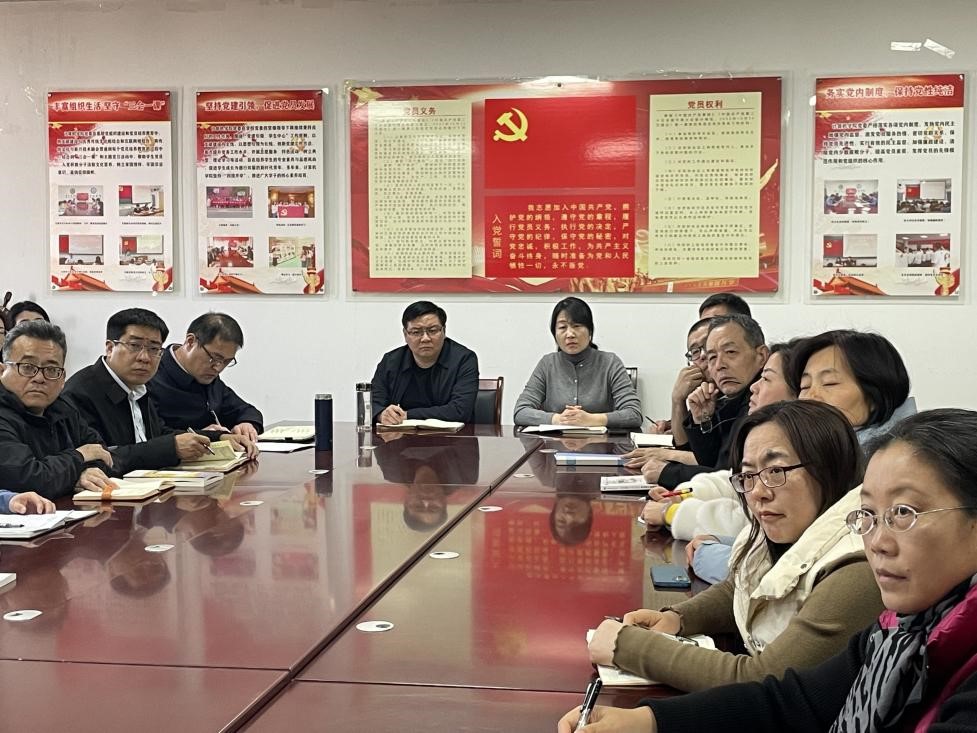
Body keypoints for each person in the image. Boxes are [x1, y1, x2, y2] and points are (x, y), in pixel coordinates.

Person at [559, 408, 977, 733]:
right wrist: (648, 721)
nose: (878, 542)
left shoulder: (862, 577)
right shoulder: (901, 630)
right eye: (868, 513)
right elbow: (793, 699)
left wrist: (633, 648)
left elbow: (771, 677)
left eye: (903, 512)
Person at [584, 400, 882, 696]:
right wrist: (677, 618)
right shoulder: (789, 529)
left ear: (830, 467)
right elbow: (744, 588)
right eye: (748, 475)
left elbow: (766, 681)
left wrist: (630, 647)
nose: (759, 492)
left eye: (776, 471)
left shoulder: (857, 566)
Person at [642, 341, 798, 584]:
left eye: (766, 378)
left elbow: (753, 521)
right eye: (709, 355)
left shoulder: (799, 446)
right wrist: (683, 495)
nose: (715, 365)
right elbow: (733, 479)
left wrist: (672, 512)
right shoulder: (750, 416)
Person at [63, 308, 254, 473]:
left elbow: (158, 433)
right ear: (110, 348)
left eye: (154, 349)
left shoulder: (137, 387)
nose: (145, 357)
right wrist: (171, 448)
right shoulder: (81, 393)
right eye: (134, 346)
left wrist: (218, 438)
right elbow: (101, 457)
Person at [642, 314, 767, 489]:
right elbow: (711, 462)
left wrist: (668, 472)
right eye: (712, 357)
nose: (719, 365)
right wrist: (703, 420)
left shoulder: (761, 398)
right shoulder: (725, 397)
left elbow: (734, 478)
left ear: (761, 356)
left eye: (730, 352)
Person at [0, 319, 116, 498]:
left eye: (51, 369)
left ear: (62, 379)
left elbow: (101, 453)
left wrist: (85, 473)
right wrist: (79, 457)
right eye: (28, 367)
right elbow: (26, 479)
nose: (39, 378)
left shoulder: (63, 408)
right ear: (2, 371)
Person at [514, 297, 641, 429]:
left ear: (590, 331)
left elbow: (634, 414)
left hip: (600, 441)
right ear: (554, 334)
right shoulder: (547, 364)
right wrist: (557, 419)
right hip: (554, 441)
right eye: (562, 327)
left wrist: (592, 419)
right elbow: (521, 411)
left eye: (577, 326)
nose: (570, 334)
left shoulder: (610, 363)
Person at [148, 312, 263, 442]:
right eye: (214, 358)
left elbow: (245, 410)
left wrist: (247, 423)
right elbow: (154, 433)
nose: (218, 368)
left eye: (227, 361)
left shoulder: (208, 376)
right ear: (190, 342)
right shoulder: (151, 373)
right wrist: (207, 435)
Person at [789, 330, 915, 446]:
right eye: (805, 386)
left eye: (829, 383)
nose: (810, 396)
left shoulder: (908, 455)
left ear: (875, 396)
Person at [370, 301, 479, 426]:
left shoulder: (464, 359)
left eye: (432, 330)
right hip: (398, 435)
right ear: (405, 334)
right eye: (416, 332)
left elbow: (460, 410)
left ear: (444, 331)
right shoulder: (391, 361)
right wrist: (381, 414)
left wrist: (407, 415)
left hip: (452, 436)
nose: (425, 338)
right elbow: (372, 403)